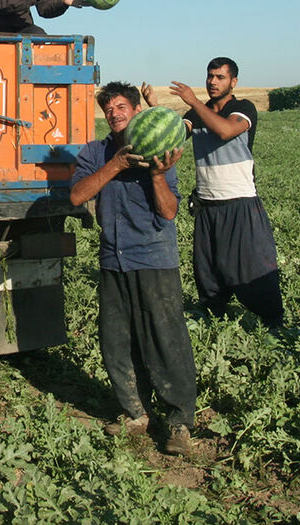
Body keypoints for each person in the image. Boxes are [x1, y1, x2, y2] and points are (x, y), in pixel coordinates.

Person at [70, 81, 197, 456]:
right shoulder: (96, 153)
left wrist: (157, 174)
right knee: (117, 339)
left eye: (121, 107)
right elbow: (78, 195)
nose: (115, 114)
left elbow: (169, 212)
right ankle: (135, 413)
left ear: (135, 109)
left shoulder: (160, 150)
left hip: (154, 257)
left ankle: (179, 423)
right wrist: (117, 164)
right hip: (114, 257)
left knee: (166, 338)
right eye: (109, 110)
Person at [144, 57, 284, 328]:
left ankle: (274, 322)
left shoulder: (242, 108)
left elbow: (225, 130)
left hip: (240, 201)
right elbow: (173, 136)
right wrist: (155, 108)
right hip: (207, 204)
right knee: (207, 265)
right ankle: (212, 311)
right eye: (210, 76)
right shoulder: (197, 113)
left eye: (220, 77)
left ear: (233, 82)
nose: (212, 81)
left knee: (252, 264)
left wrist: (193, 102)